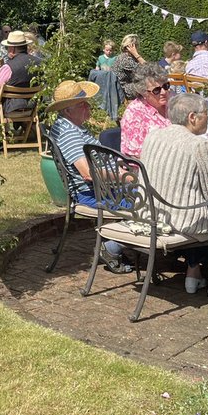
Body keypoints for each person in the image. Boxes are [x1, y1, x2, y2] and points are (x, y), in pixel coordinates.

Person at [139, 93, 208, 299]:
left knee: (204, 209)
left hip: (150, 214)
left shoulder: (153, 136)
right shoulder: (199, 144)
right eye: (206, 114)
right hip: (179, 221)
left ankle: (193, 271)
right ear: (192, 117)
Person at [45, 79, 133, 274]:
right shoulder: (68, 133)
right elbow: (88, 173)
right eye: (82, 104)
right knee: (150, 203)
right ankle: (111, 247)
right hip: (93, 194)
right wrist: (126, 178)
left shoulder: (70, 126)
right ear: (68, 110)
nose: (88, 106)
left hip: (103, 188)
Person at [120, 63, 171, 158]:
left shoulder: (171, 104)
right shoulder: (135, 114)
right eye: (156, 90)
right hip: (146, 163)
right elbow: (135, 155)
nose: (163, 92)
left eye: (166, 86)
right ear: (143, 92)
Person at [0, 30, 41, 116]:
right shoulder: (40, 63)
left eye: (7, 47)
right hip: (33, 110)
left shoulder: (8, 68)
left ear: (12, 49)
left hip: (10, 110)